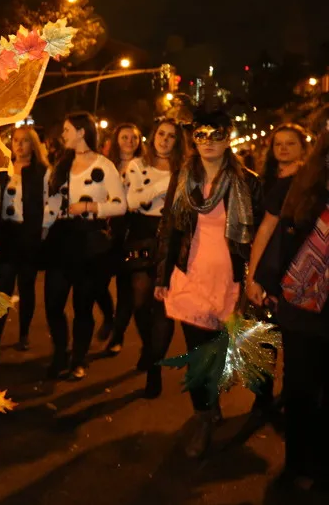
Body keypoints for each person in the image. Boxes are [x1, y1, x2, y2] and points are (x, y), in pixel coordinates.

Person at [156, 108, 262, 458]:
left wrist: (257, 279)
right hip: (190, 277)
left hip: (229, 280)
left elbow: (260, 234)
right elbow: (170, 228)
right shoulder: (184, 177)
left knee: (216, 354)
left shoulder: (247, 181)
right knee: (198, 354)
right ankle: (202, 419)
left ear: (228, 138)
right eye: (201, 135)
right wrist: (161, 274)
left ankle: (211, 399)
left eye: (216, 135)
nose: (208, 143)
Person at [251, 106, 329, 493]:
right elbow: (276, 237)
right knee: (300, 388)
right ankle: (298, 463)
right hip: (303, 307)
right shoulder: (300, 185)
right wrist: (259, 280)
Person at [43, 113, 127, 381]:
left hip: (89, 240)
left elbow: (120, 204)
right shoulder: (62, 163)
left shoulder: (104, 166)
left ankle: (78, 359)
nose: (63, 134)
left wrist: (90, 206)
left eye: (67, 130)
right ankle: (60, 353)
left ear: (81, 132)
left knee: (82, 305)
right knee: (53, 303)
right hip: (61, 238)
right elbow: (52, 200)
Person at [122, 118, 187, 397]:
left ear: (178, 141)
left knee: (163, 306)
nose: (164, 140)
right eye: (161, 134)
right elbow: (133, 202)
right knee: (139, 300)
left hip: (172, 236)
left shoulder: (184, 168)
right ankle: (148, 347)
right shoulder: (138, 165)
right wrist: (165, 189)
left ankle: (154, 368)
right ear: (153, 135)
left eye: (171, 136)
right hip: (141, 233)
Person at [0, 126, 52, 353]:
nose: (19, 144)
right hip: (6, 236)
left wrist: (43, 232)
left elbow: (48, 203)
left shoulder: (42, 171)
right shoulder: (2, 170)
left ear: (33, 144)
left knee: (27, 287)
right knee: (3, 289)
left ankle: (24, 334)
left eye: (25, 141)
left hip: (29, 235)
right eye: (16, 140)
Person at [102, 123, 145, 353]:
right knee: (98, 282)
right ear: (117, 140)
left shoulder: (144, 166)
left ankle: (117, 336)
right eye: (125, 137)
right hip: (110, 229)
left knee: (126, 288)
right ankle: (110, 317)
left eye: (134, 137)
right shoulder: (106, 165)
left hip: (134, 230)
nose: (129, 141)